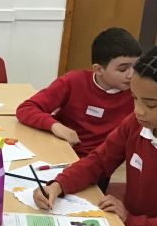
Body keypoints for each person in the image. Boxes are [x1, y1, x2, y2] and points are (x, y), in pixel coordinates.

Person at [33, 47, 157, 226]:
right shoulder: (135, 124)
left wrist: (130, 221)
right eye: (134, 98)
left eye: (150, 104)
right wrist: (58, 185)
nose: (138, 110)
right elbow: (99, 161)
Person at [16, 28, 141, 190]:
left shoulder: (137, 95)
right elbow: (26, 108)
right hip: (59, 154)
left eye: (136, 67)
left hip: (96, 167)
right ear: (98, 69)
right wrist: (55, 125)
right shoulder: (74, 81)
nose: (131, 75)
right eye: (123, 69)